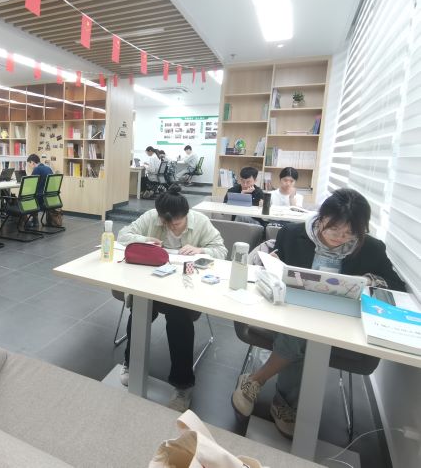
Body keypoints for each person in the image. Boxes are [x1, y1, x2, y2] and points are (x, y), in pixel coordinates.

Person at [231, 189, 404, 438]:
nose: (340, 238)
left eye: (349, 233)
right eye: (335, 230)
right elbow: (273, 267)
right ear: (322, 218)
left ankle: (255, 380)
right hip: (292, 310)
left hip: (340, 318)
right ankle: (283, 404)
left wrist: (368, 280)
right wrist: (271, 266)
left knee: (302, 338)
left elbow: (396, 286)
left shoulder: (371, 248)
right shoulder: (292, 234)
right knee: (300, 333)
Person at [118, 184, 227, 411]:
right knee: (140, 308)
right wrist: (144, 239)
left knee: (179, 318)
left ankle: (183, 384)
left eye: (176, 224)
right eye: (166, 223)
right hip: (153, 282)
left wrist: (201, 250)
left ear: (186, 215)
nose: (170, 227)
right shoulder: (152, 217)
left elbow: (221, 250)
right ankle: (131, 363)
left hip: (185, 288)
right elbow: (123, 235)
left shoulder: (200, 221)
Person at [26, 153, 53, 228]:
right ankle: (35, 220)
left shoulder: (37, 169)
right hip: (49, 198)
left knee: (26, 197)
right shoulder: (48, 168)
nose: (30, 167)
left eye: (29, 164)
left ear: (32, 162)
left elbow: (31, 184)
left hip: (41, 198)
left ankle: (34, 221)